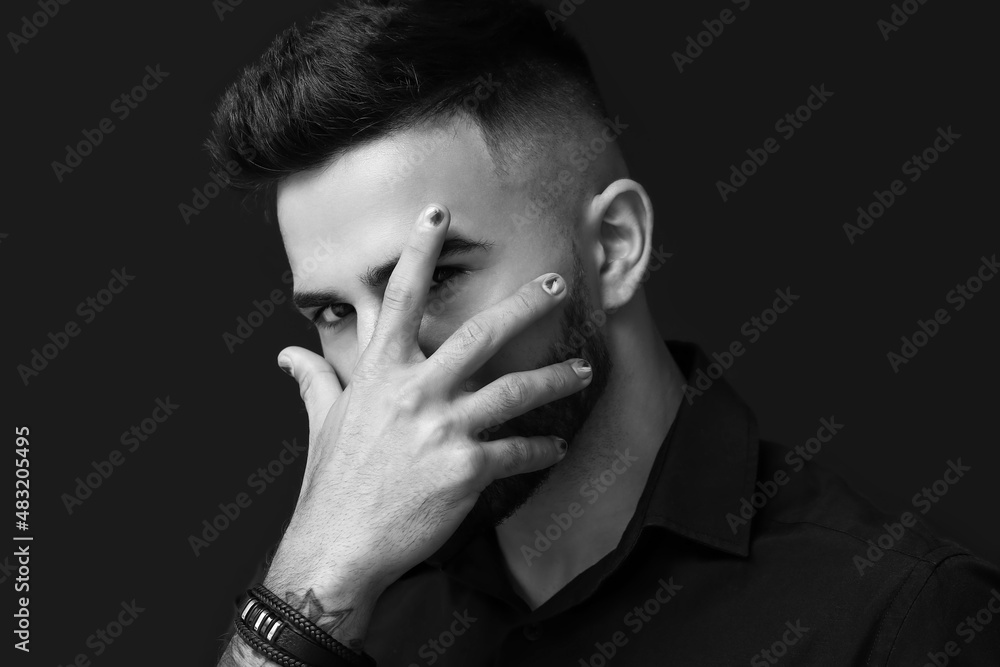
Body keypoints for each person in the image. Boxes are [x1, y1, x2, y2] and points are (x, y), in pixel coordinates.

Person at [208, 1, 1000, 664]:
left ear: (615, 247)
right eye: (335, 313)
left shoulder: (898, 615)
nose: (387, 368)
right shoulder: (342, 608)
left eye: (438, 275)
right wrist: (310, 583)